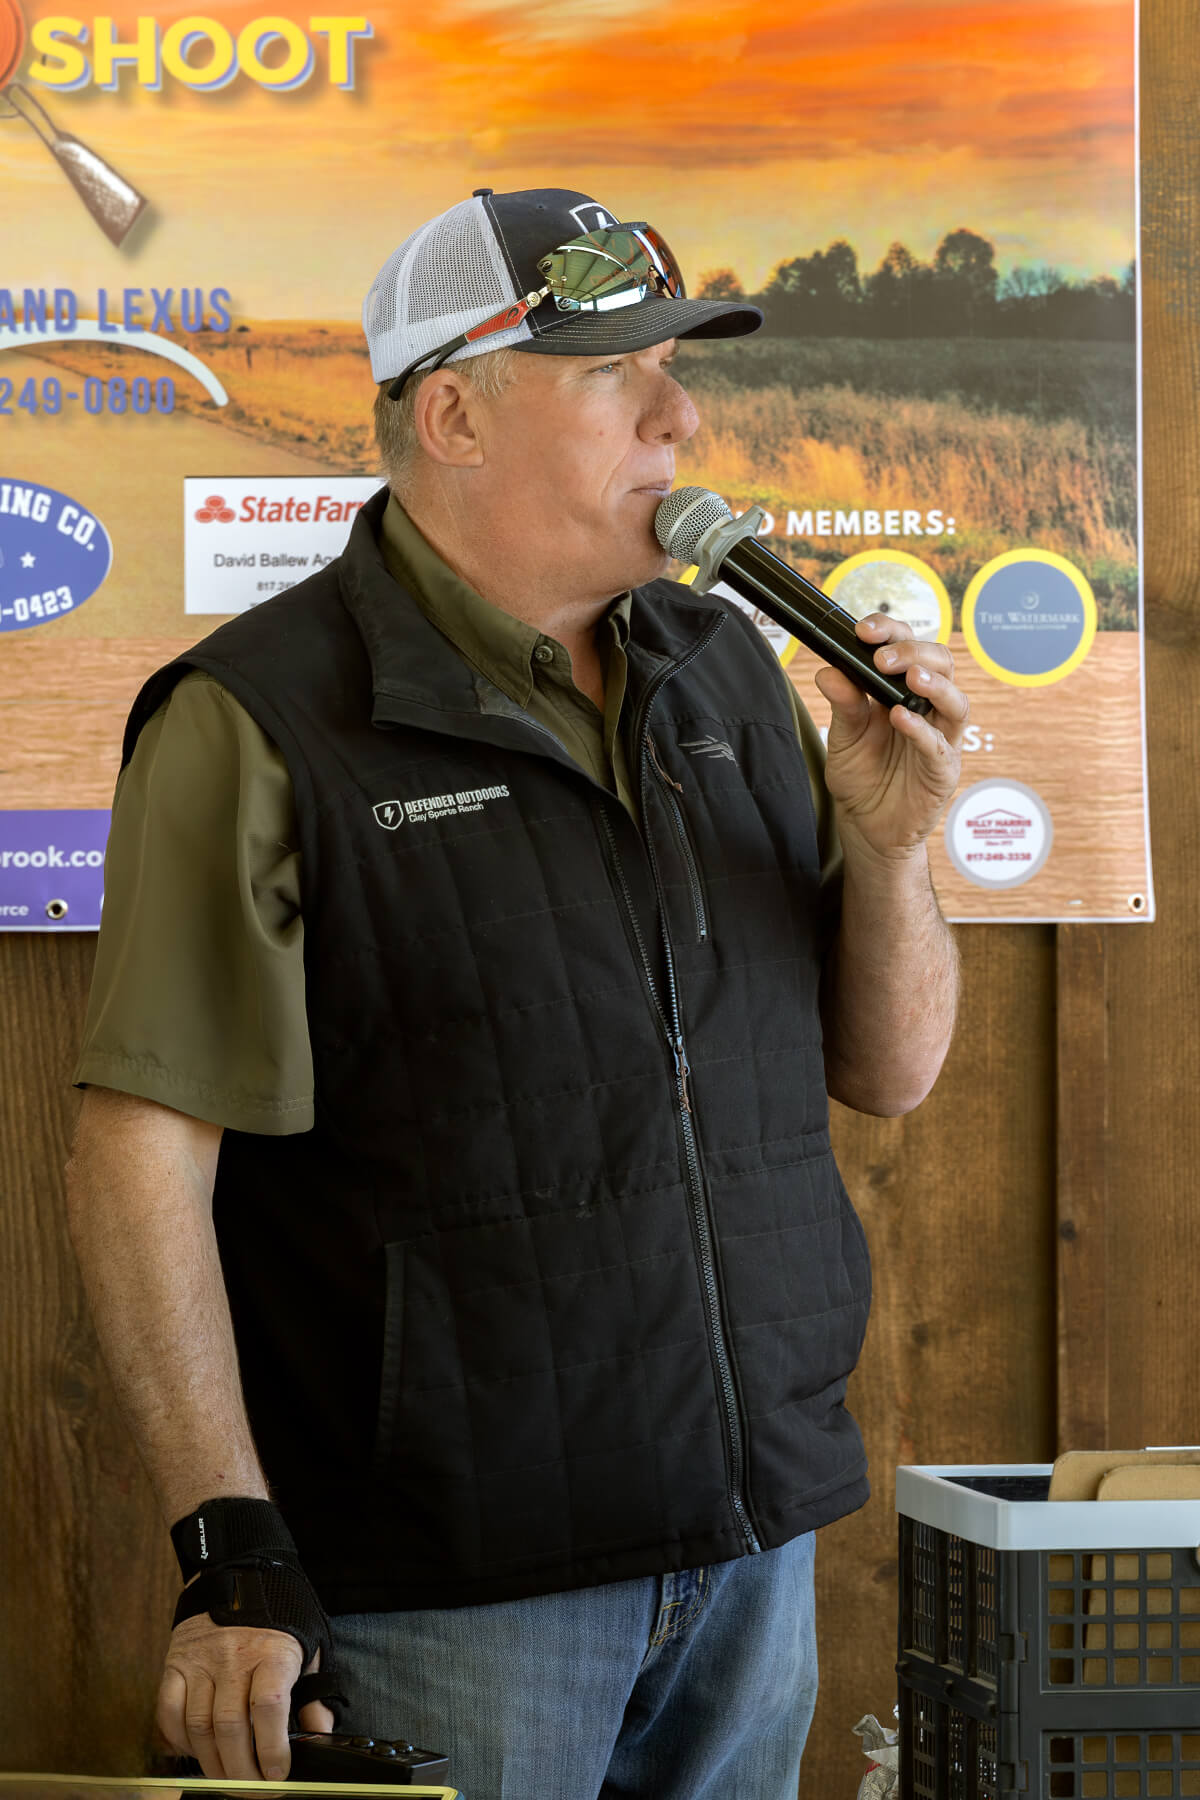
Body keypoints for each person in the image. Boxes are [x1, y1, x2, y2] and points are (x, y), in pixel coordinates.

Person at [65, 187, 967, 1800]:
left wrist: (896, 858)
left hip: (753, 1548)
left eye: (677, 368)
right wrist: (229, 1543)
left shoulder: (729, 669)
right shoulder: (254, 721)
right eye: (618, 374)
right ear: (456, 415)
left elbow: (887, 1074)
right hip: (452, 1588)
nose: (682, 420)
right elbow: (140, 1155)